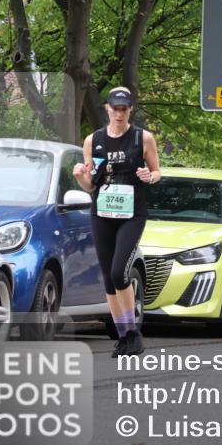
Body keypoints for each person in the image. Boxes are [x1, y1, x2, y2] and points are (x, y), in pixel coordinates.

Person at [73, 87, 160, 357]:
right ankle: (124, 336)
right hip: (102, 213)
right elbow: (90, 184)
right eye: (115, 108)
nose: (119, 113)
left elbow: (157, 172)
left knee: (119, 271)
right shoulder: (93, 140)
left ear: (130, 110)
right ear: (107, 109)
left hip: (132, 214)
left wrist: (149, 176)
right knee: (109, 280)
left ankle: (133, 331)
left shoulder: (142, 138)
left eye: (124, 109)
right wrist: (79, 176)